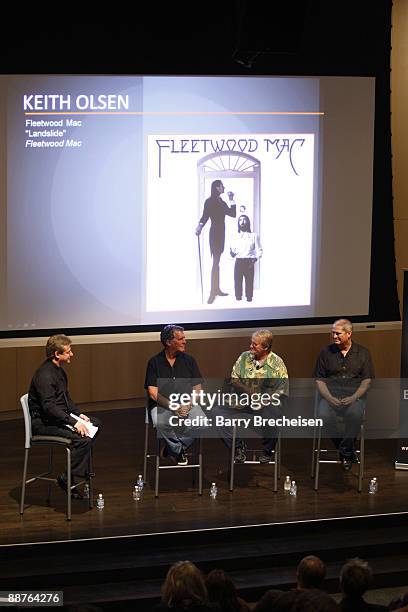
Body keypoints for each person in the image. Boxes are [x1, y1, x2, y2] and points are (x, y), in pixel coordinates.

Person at [28, 334, 101, 499]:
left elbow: (66, 399)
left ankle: (71, 474)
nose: (72, 354)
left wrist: (78, 415)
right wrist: (74, 422)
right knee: (83, 439)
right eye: (68, 352)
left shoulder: (59, 372)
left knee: (95, 424)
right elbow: (49, 407)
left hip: (57, 418)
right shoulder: (45, 375)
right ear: (57, 354)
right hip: (44, 424)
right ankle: (68, 477)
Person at [216, 329, 289, 464]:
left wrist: (264, 400)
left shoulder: (277, 363)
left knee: (273, 416)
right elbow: (234, 379)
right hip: (244, 400)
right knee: (217, 413)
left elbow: (282, 390)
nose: (250, 346)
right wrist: (247, 390)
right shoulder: (244, 357)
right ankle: (237, 447)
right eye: (251, 343)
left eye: (255, 344)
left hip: (267, 403)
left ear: (266, 347)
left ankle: (267, 451)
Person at [314, 319, 374, 471]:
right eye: (333, 333)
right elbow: (319, 380)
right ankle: (346, 450)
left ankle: (345, 450)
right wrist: (329, 398)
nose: (334, 336)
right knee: (323, 415)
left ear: (349, 334)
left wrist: (354, 397)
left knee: (355, 414)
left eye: (338, 333)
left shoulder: (363, 353)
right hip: (330, 397)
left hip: (354, 397)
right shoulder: (325, 352)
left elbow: (367, 381)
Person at [145, 325, 206, 466]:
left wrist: (188, 405)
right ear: (168, 342)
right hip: (163, 404)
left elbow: (198, 389)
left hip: (186, 403)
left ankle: (172, 448)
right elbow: (153, 394)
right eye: (181, 339)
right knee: (161, 423)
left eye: (184, 338)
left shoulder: (189, 360)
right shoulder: (154, 362)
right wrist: (174, 407)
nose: (185, 341)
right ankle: (178, 451)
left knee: (201, 423)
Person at [195, 179, 236, 304]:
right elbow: (205, 216)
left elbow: (233, 214)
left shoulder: (221, 201)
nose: (224, 187)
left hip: (221, 233)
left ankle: (216, 289)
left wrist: (232, 199)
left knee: (217, 262)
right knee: (215, 262)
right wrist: (199, 227)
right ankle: (212, 292)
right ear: (217, 187)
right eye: (222, 186)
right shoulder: (209, 201)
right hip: (214, 234)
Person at [230, 214, 262, 302]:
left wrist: (254, 259)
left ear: (248, 222)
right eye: (240, 220)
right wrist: (231, 253)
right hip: (239, 261)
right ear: (238, 223)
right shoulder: (235, 236)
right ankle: (238, 298)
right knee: (237, 282)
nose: (242, 222)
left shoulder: (254, 236)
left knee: (249, 282)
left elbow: (259, 250)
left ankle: (249, 298)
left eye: (244, 220)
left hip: (249, 261)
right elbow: (232, 250)